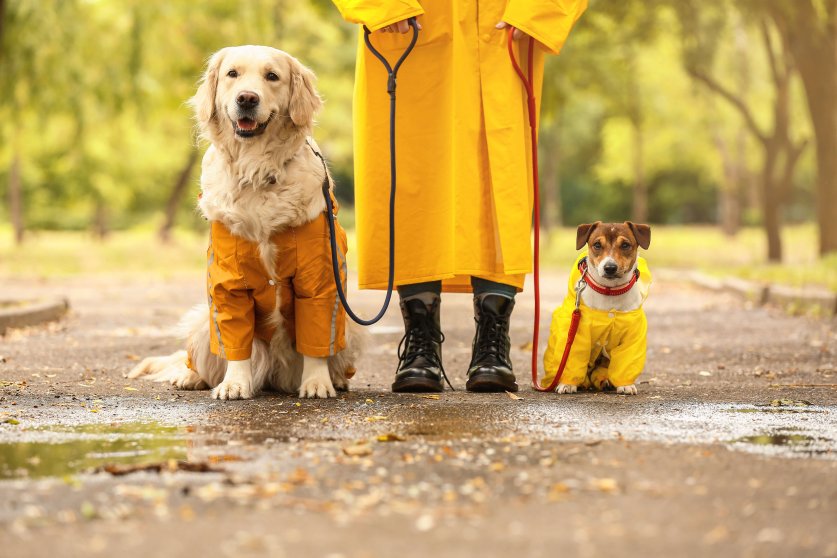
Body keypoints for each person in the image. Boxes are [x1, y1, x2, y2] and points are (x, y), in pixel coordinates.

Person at [331, 0, 588, 393]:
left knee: (497, 179)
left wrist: (537, 11)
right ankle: (420, 341)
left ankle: (492, 341)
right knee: (413, 175)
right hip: (411, 31)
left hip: (500, 32)